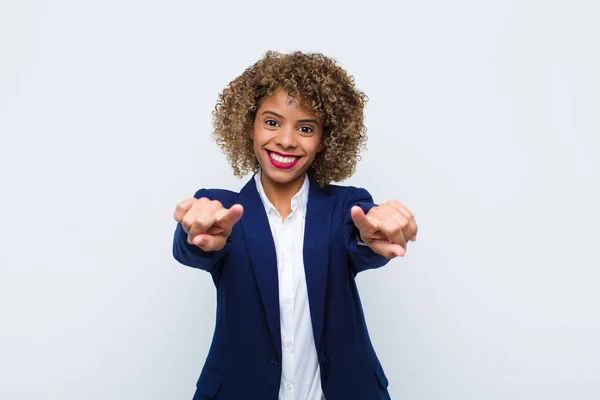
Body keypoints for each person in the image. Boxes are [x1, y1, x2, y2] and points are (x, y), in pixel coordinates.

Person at [172, 50, 418, 400]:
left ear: (325, 140)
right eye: (272, 122)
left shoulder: (346, 206)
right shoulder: (223, 210)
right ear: (249, 125)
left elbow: (363, 239)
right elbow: (191, 246)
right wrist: (193, 235)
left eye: (305, 128)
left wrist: (374, 235)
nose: (287, 140)